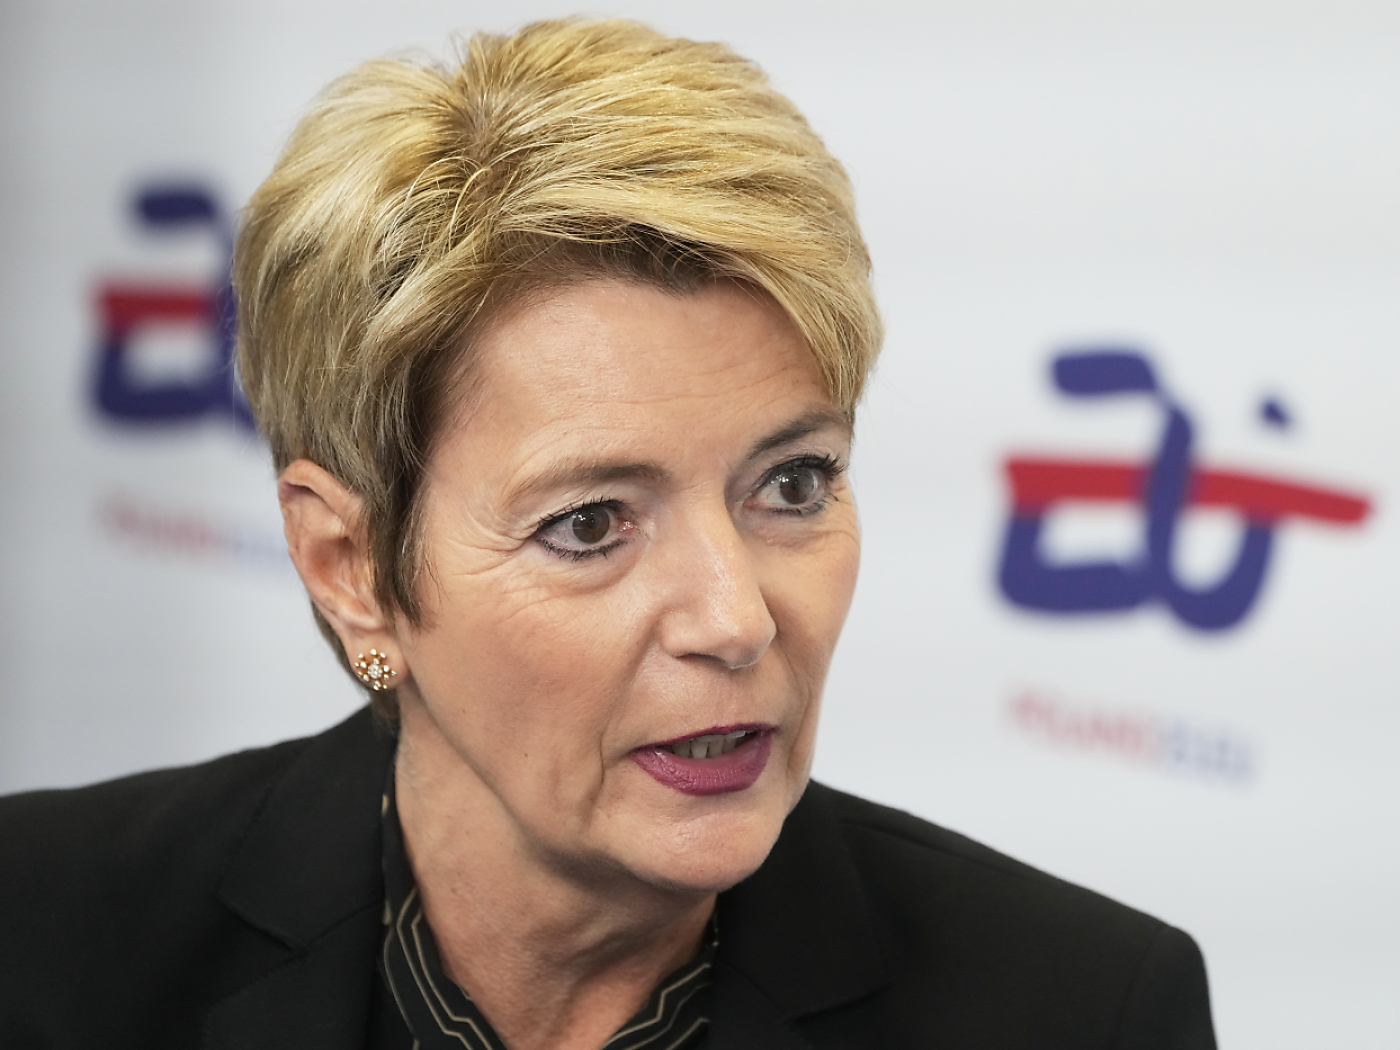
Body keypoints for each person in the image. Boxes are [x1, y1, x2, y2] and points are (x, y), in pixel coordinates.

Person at [0, 18, 1216, 1049]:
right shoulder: (41, 931)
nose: (735, 620)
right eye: (590, 523)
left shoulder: (1078, 1011)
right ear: (349, 568)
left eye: (792, 484)